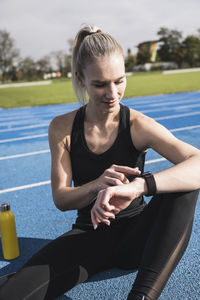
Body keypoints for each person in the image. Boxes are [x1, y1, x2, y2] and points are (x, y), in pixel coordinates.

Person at [0, 25, 200, 300]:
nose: (113, 93)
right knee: (12, 294)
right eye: (100, 84)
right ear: (80, 78)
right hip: (89, 236)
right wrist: (97, 185)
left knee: (185, 185)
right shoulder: (62, 128)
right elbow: (61, 199)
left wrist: (138, 186)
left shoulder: (139, 125)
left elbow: (197, 162)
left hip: (139, 238)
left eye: (119, 80)